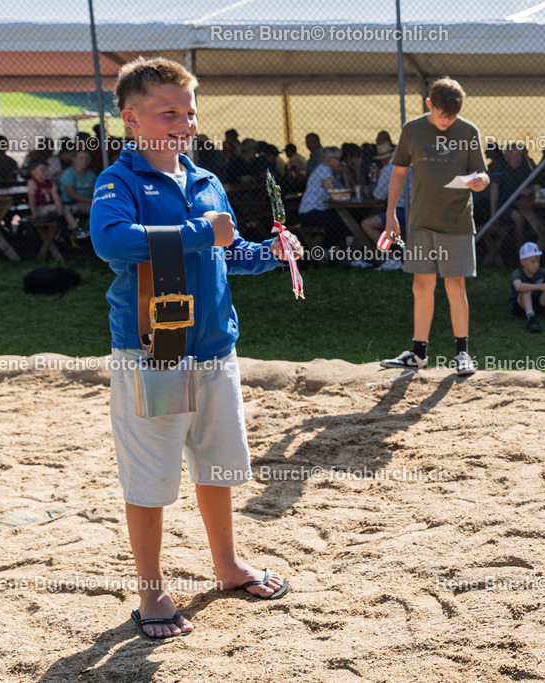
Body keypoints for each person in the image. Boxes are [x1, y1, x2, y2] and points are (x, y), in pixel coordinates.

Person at [90, 56, 299, 640]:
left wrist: (269, 252)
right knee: (150, 476)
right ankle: (152, 592)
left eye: (190, 110)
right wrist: (202, 232)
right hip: (154, 351)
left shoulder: (206, 180)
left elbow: (225, 252)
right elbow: (112, 241)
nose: (183, 121)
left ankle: (228, 566)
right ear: (130, 119)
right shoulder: (119, 182)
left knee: (220, 463)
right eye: (168, 111)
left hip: (214, 347)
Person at [379, 77, 490, 376]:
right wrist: (391, 215)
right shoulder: (412, 130)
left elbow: (481, 173)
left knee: (455, 285)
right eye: (442, 116)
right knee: (421, 286)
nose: (446, 122)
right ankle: (418, 353)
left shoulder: (468, 131)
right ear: (430, 105)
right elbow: (399, 173)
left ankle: (462, 353)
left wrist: (482, 182)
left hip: (457, 222)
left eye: (451, 117)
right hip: (420, 223)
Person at [360, 141, 409, 271]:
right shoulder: (412, 165)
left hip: (401, 212)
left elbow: (378, 196)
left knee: (367, 224)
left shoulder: (388, 169)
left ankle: (391, 258)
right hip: (417, 210)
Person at [297, 146, 347, 261]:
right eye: (339, 159)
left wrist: (344, 173)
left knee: (341, 219)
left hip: (320, 210)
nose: (341, 162)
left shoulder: (331, 171)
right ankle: (327, 251)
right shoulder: (324, 169)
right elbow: (333, 191)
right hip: (310, 213)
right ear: (330, 160)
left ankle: (329, 251)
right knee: (339, 221)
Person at [25, 159, 79, 233]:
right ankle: (75, 229)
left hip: (51, 208)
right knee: (64, 210)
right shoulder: (32, 182)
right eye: (43, 170)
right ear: (33, 172)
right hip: (40, 209)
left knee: (67, 208)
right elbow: (32, 198)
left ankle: (71, 227)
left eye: (47, 170)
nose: (46, 172)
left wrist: (60, 208)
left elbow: (56, 197)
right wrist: (34, 214)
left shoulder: (50, 183)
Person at [60, 149, 96, 239]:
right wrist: (92, 201)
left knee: (101, 209)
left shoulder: (91, 175)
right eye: (81, 158)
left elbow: (95, 192)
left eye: (87, 159)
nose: (84, 161)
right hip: (71, 203)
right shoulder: (68, 174)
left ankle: (85, 230)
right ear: (74, 159)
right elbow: (72, 195)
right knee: (96, 209)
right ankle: (81, 231)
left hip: (88, 203)